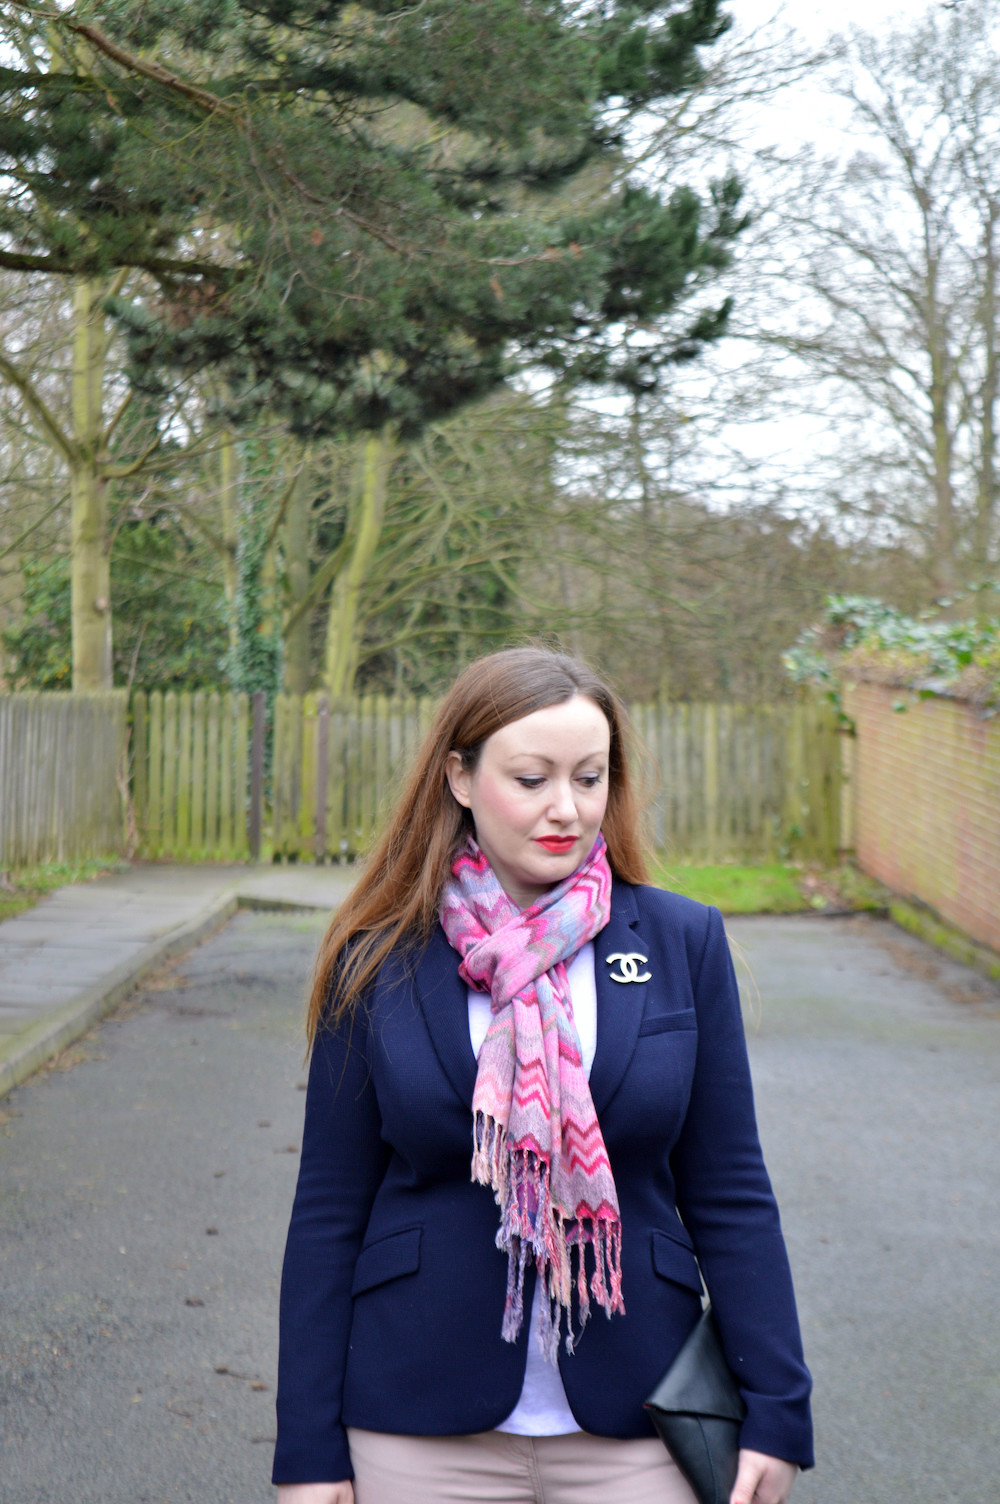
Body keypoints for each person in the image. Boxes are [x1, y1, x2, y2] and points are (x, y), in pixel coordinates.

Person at [272, 647, 813, 1504]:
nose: (568, 808)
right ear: (459, 777)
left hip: (641, 1420)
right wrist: (305, 1448)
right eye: (532, 778)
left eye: (590, 778)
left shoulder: (681, 943)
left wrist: (780, 1408)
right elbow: (328, 1211)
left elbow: (732, 1192)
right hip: (416, 1426)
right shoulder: (374, 961)